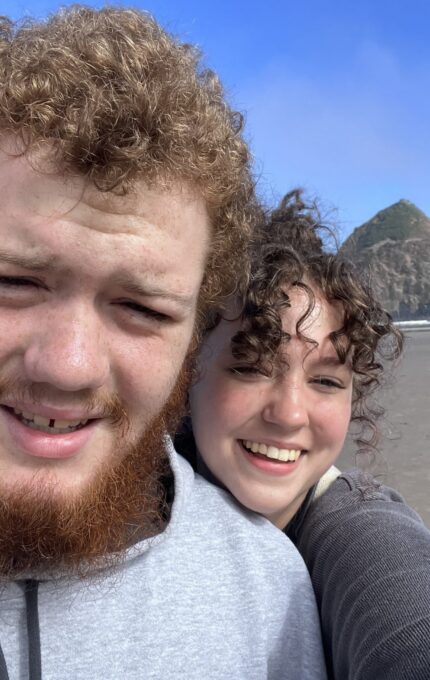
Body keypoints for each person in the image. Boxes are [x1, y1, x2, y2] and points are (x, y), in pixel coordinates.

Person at [0, 9, 327, 680]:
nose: (67, 365)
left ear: (192, 338)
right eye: (16, 281)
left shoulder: (268, 596)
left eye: (141, 308)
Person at [183, 190, 430, 679]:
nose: (291, 413)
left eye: (325, 381)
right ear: (186, 371)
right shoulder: (119, 503)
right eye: (252, 367)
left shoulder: (360, 527)